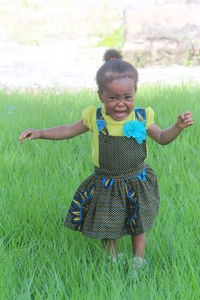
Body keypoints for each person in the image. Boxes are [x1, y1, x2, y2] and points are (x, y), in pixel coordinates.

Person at [20, 49, 194, 266]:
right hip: (106, 183)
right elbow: (67, 130)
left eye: (127, 97)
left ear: (135, 93)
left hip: (136, 181)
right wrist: (40, 133)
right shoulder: (95, 118)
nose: (121, 104)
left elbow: (162, 137)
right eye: (113, 98)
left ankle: (138, 263)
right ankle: (113, 261)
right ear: (101, 95)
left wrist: (177, 127)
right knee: (107, 226)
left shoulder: (141, 117)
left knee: (138, 226)